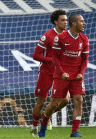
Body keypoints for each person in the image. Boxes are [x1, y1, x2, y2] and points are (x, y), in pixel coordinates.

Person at [38, 14, 89, 137]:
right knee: (54, 103)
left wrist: (81, 73)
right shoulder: (60, 38)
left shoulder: (84, 39)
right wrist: (61, 72)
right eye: (82, 21)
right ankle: (44, 124)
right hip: (61, 76)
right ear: (74, 23)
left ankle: (74, 131)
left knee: (79, 100)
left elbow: (85, 59)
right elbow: (55, 58)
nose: (84, 23)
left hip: (76, 76)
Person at [31, 9, 70, 137]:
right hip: (46, 72)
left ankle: (46, 115)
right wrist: (51, 60)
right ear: (55, 22)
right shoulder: (47, 36)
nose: (66, 22)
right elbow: (36, 55)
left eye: (66, 20)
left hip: (61, 73)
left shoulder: (69, 36)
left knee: (65, 99)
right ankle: (34, 126)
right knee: (41, 101)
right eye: (63, 20)